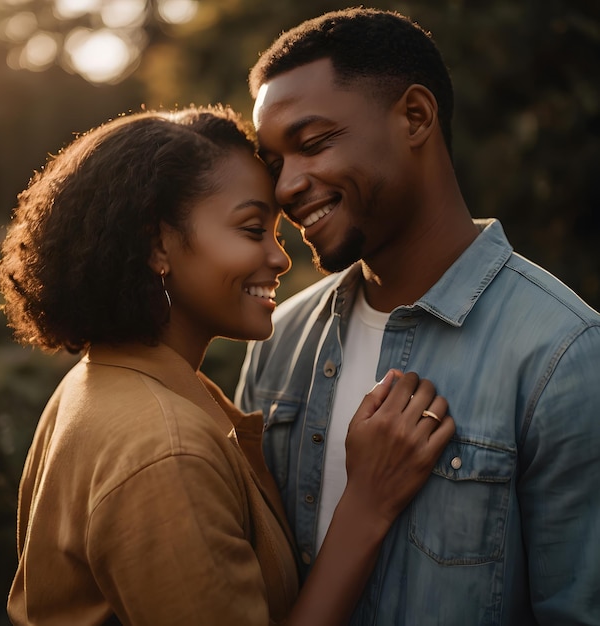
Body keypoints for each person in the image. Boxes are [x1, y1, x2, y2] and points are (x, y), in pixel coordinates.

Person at [0, 105, 454, 626]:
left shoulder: (100, 381)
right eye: (253, 228)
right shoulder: (166, 450)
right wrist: (367, 505)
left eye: (277, 233)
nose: (280, 258)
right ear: (158, 243)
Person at [235, 7, 600, 625]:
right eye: (275, 164)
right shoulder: (278, 339)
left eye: (313, 143)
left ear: (415, 117)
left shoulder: (562, 355)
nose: (286, 187)